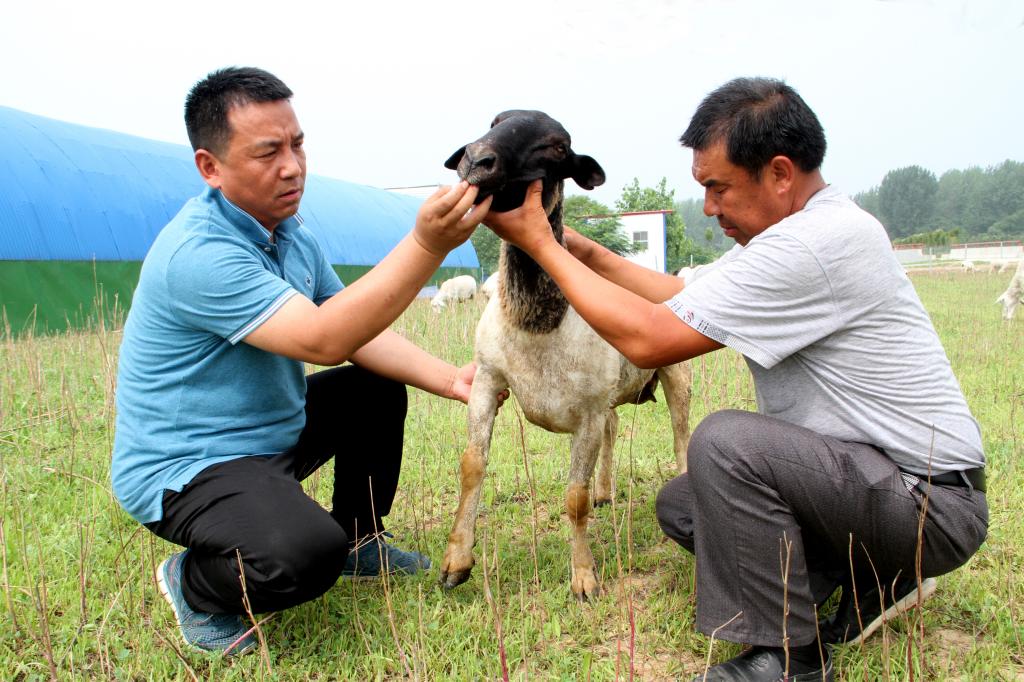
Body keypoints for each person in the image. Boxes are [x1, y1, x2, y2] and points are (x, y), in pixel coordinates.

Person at [483, 77, 987, 682]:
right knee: (685, 505)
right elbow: (680, 295)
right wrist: (578, 251)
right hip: (870, 483)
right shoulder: (790, 236)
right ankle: (873, 578)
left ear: (779, 173)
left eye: (717, 188)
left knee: (723, 442)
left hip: (926, 500)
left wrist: (541, 244)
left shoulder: (816, 245)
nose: (711, 207)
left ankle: (789, 657)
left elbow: (650, 337)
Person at [111, 66, 497, 656]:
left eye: (297, 144)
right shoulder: (199, 252)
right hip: (190, 466)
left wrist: (451, 379)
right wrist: (426, 245)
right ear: (210, 167)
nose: (292, 166)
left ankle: (360, 542)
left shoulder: (288, 233)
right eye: (268, 152)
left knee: (376, 387)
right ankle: (194, 585)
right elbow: (324, 340)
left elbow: (354, 327)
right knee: (302, 554)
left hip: (270, 435)